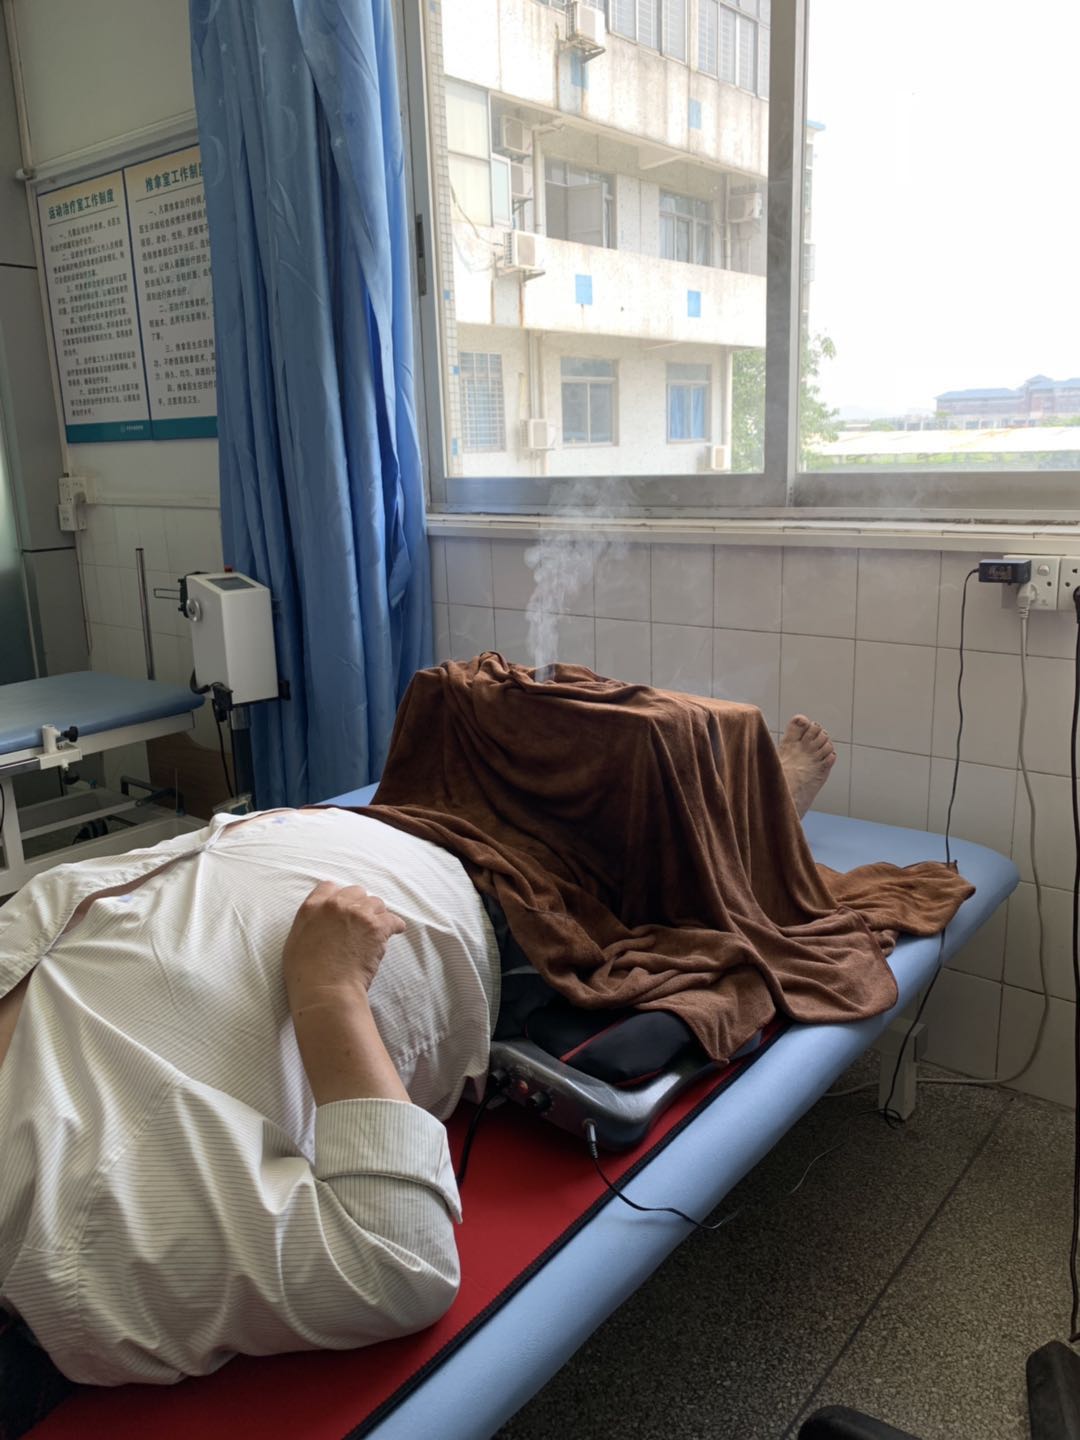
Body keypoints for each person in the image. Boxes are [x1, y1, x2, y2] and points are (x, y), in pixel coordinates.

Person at [0, 712, 836, 1388]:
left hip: (367, 826)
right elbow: (398, 1265)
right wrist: (328, 990)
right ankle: (764, 822)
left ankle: (739, 807)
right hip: (485, 920)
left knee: (506, 711)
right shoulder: (78, 1237)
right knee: (641, 861)